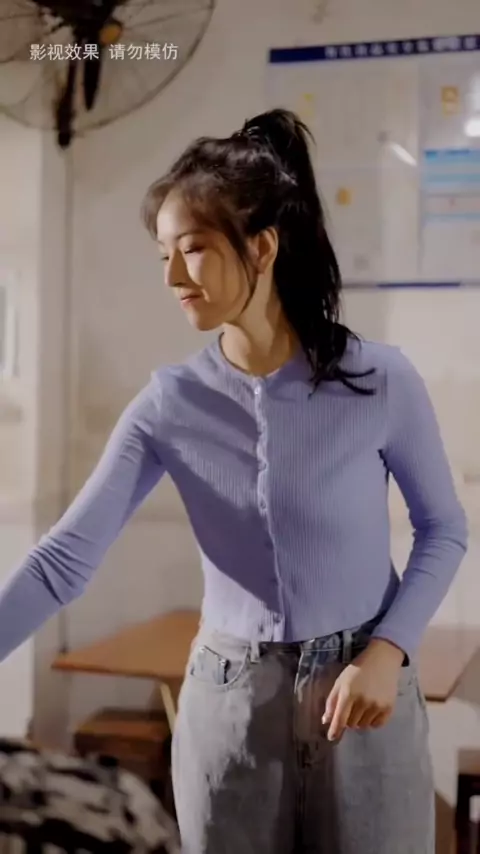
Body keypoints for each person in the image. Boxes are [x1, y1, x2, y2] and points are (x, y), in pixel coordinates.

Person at [0, 108, 468, 854]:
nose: (172, 277)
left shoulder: (379, 379)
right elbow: (63, 560)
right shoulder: (169, 403)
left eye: (192, 250)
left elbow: (444, 528)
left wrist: (389, 651)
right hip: (229, 705)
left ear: (261, 247)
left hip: (363, 692)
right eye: (163, 255)